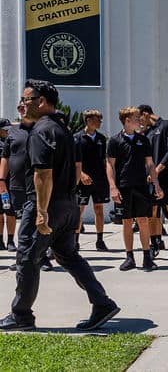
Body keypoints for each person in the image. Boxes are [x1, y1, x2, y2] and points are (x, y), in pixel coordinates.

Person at [1, 80, 119, 332]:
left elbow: (42, 174)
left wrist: (42, 212)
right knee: (68, 255)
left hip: (46, 205)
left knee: (27, 258)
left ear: (41, 101)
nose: (23, 104)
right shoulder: (63, 129)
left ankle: (21, 315)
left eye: (27, 100)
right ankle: (102, 303)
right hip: (67, 204)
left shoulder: (41, 130)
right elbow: (76, 169)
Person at [106, 107, 164, 271]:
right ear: (127, 120)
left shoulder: (143, 139)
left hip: (141, 186)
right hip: (123, 187)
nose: (139, 120)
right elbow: (110, 165)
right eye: (136, 118)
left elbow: (150, 164)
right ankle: (129, 257)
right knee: (126, 222)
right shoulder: (115, 140)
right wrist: (112, 187)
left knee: (143, 220)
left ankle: (147, 257)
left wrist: (156, 184)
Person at [138, 105, 168, 261]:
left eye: (140, 118)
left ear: (146, 114)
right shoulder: (146, 133)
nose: (140, 121)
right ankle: (155, 242)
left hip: (167, 176)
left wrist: (158, 169)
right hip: (151, 178)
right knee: (152, 211)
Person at [74, 109, 109, 251]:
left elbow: (104, 159)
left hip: (99, 180)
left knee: (99, 209)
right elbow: (73, 160)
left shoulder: (101, 139)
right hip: (82, 180)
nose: (100, 122)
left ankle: (100, 240)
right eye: (97, 120)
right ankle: (75, 241)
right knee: (79, 210)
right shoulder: (77, 138)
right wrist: (81, 174)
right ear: (88, 120)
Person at [1, 114, 26, 254]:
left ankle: (10, 240)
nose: (7, 131)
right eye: (4, 129)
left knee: (10, 212)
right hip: (1, 182)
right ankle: (0, 240)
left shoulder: (12, 140)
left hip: (11, 183)